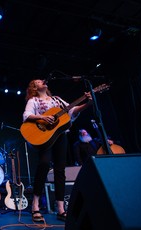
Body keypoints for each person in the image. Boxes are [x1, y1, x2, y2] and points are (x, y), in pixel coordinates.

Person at [22, 79, 93, 222]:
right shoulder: (34, 100)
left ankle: (61, 209)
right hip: (45, 137)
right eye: (39, 81)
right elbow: (26, 115)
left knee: (60, 170)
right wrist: (42, 117)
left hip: (61, 136)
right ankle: (35, 205)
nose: (43, 81)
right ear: (35, 87)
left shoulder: (57, 99)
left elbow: (72, 110)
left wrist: (88, 103)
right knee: (44, 164)